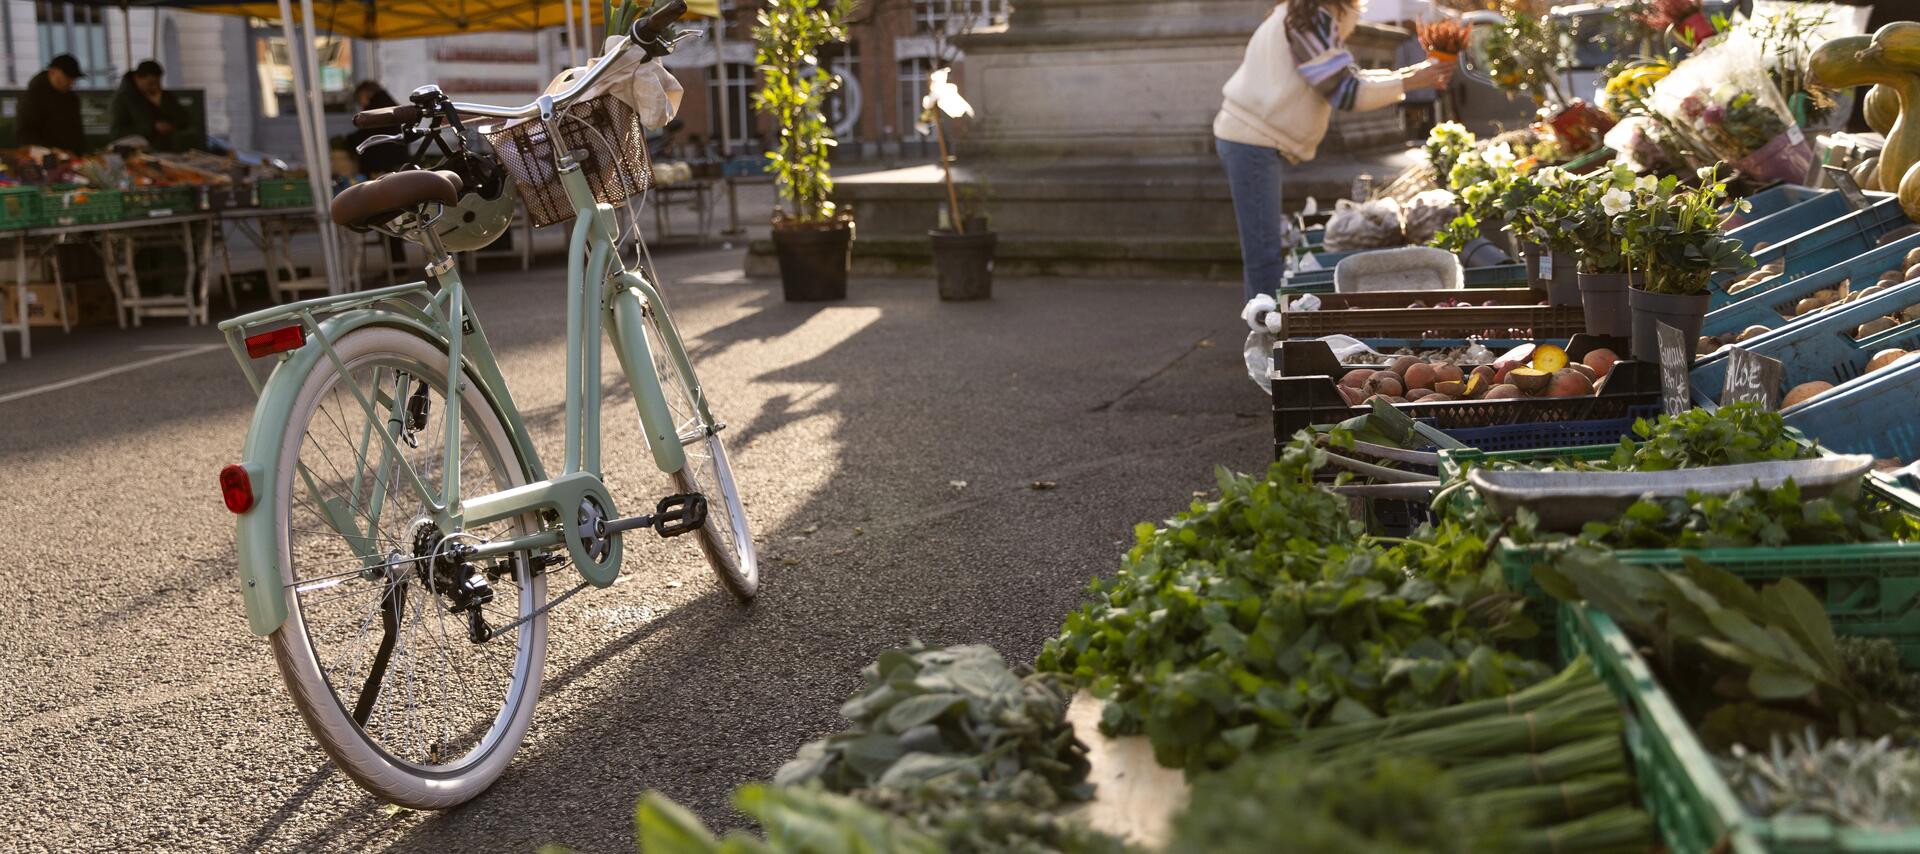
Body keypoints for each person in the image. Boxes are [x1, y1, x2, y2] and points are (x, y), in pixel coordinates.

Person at [1214, 0, 1452, 302]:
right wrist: (1414, 79)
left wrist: (1412, 74)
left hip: (1249, 138)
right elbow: (1347, 93)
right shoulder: (1311, 20)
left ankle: (1268, 334)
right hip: (1250, 140)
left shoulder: (1302, 14)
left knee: (1264, 250)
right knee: (1264, 254)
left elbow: (1348, 78)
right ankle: (1267, 340)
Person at [108, 60, 196, 152]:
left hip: (167, 149)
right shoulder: (122, 99)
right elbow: (117, 132)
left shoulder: (163, 96)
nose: (155, 87)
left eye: (158, 83)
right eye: (150, 84)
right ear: (137, 78)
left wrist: (163, 103)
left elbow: (185, 119)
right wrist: (152, 127)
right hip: (138, 151)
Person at [18, 54, 88, 152]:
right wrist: (50, 150)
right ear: (52, 72)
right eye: (67, 77)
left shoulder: (71, 98)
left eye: (73, 79)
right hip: (44, 158)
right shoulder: (33, 97)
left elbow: (76, 131)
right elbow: (26, 133)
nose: (71, 82)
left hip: (71, 157)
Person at [344, 82, 409, 177]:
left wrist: (349, 141)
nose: (360, 103)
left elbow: (367, 135)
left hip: (383, 166)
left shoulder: (376, 110)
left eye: (359, 98)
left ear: (367, 94)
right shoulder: (388, 105)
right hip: (395, 162)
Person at [1394, 22, 1440, 142]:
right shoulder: (1426, 40)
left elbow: (1400, 64)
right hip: (1423, 89)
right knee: (1426, 118)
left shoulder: (1406, 42)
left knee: (1420, 117)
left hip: (1414, 90)